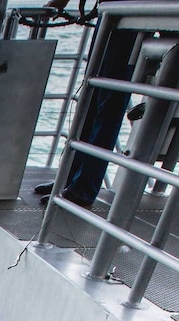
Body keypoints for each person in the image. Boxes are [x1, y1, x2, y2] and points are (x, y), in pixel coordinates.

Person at [37, 0, 137, 208]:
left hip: (131, 13)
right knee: (90, 98)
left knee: (109, 103)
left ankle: (83, 188)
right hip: (112, 11)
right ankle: (71, 179)